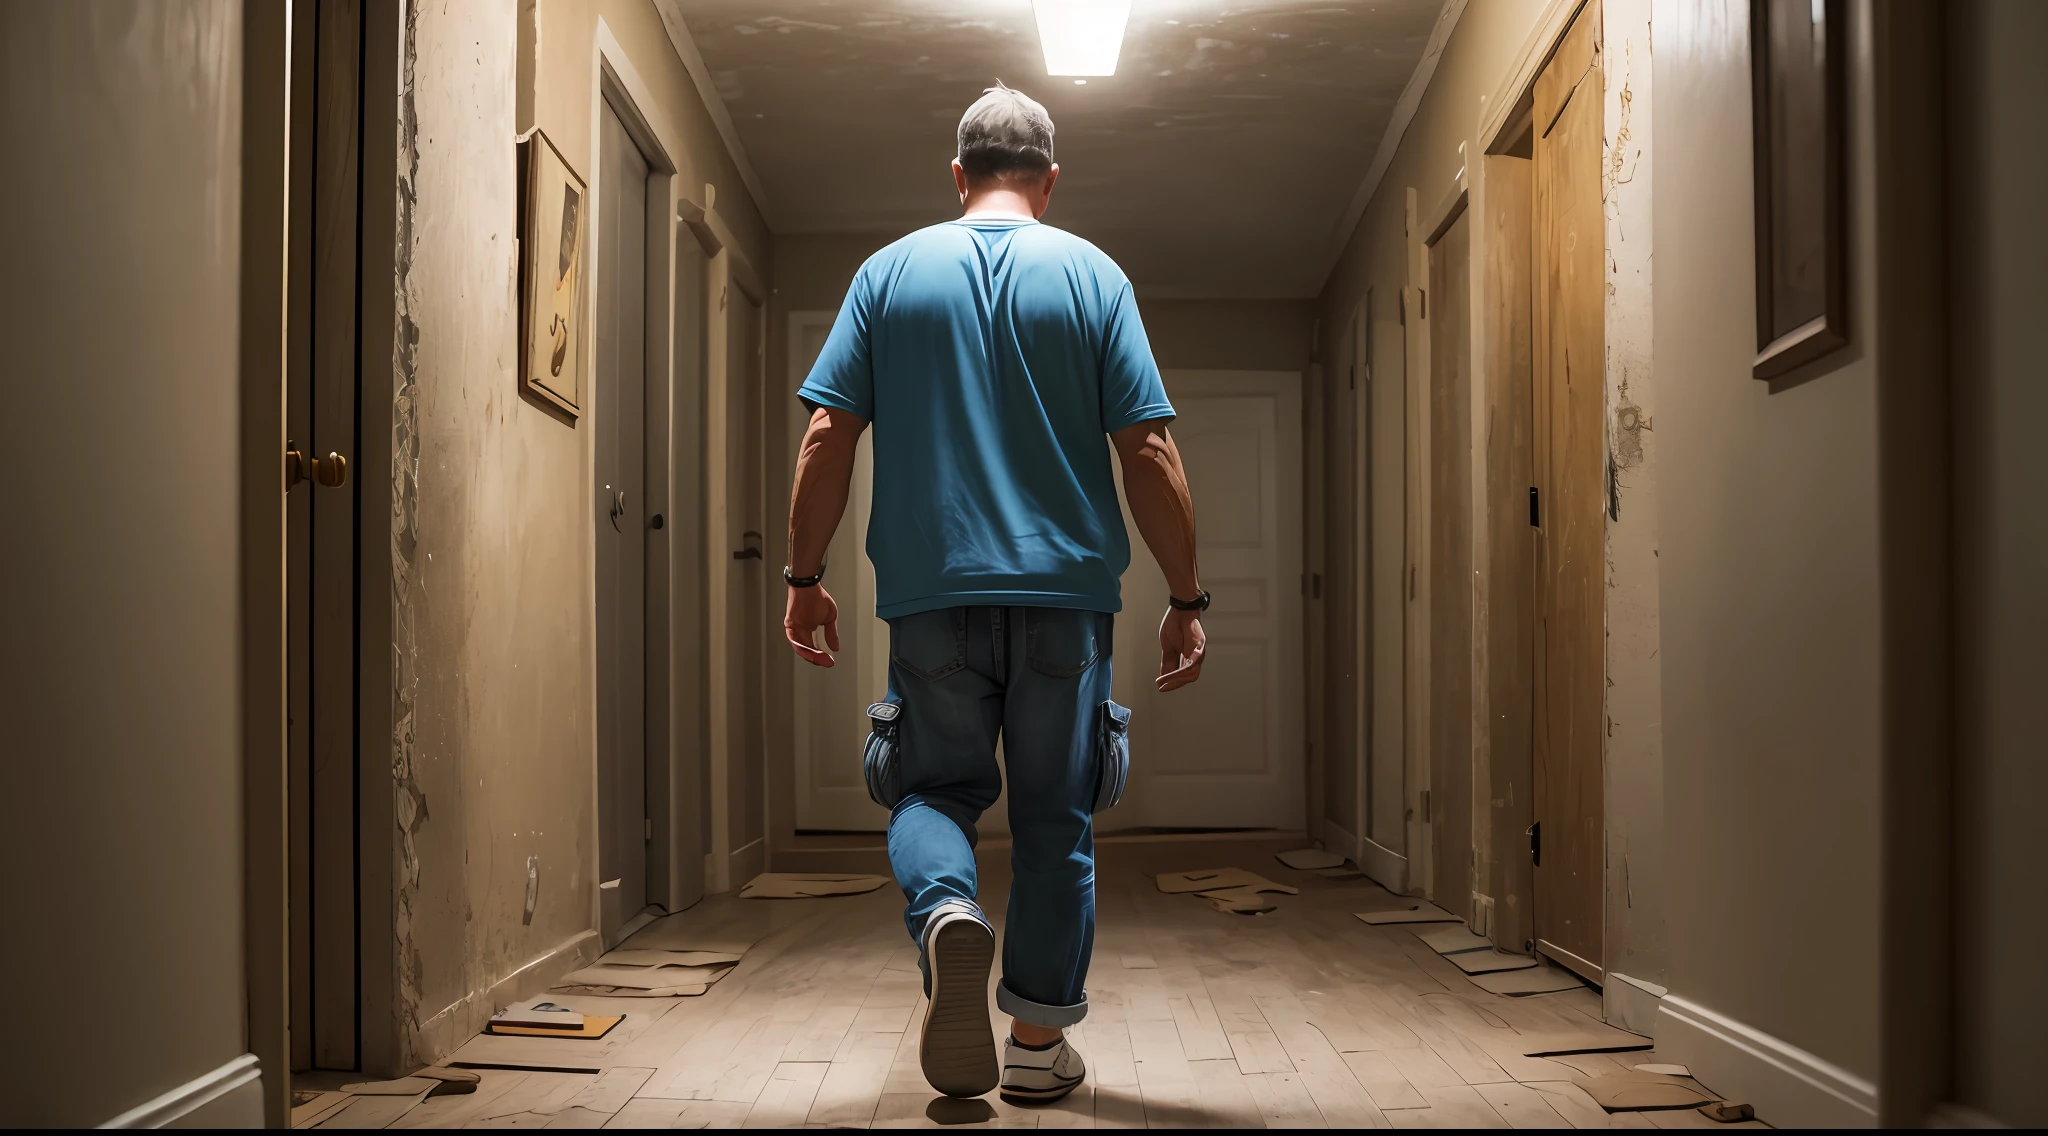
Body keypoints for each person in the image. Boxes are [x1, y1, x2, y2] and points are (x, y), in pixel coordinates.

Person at [781, 82, 1208, 1105]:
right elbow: (1146, 447)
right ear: (1048, 182)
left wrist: (804, 577)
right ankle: (1032, 1044)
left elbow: (826, 435)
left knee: (933, 790)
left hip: (931, 599)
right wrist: (1187, 594)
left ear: (957, 173)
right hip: (1065, 601)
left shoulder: (886, 274)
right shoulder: (1091, 274)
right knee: (1056, 816)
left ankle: (942, 912)